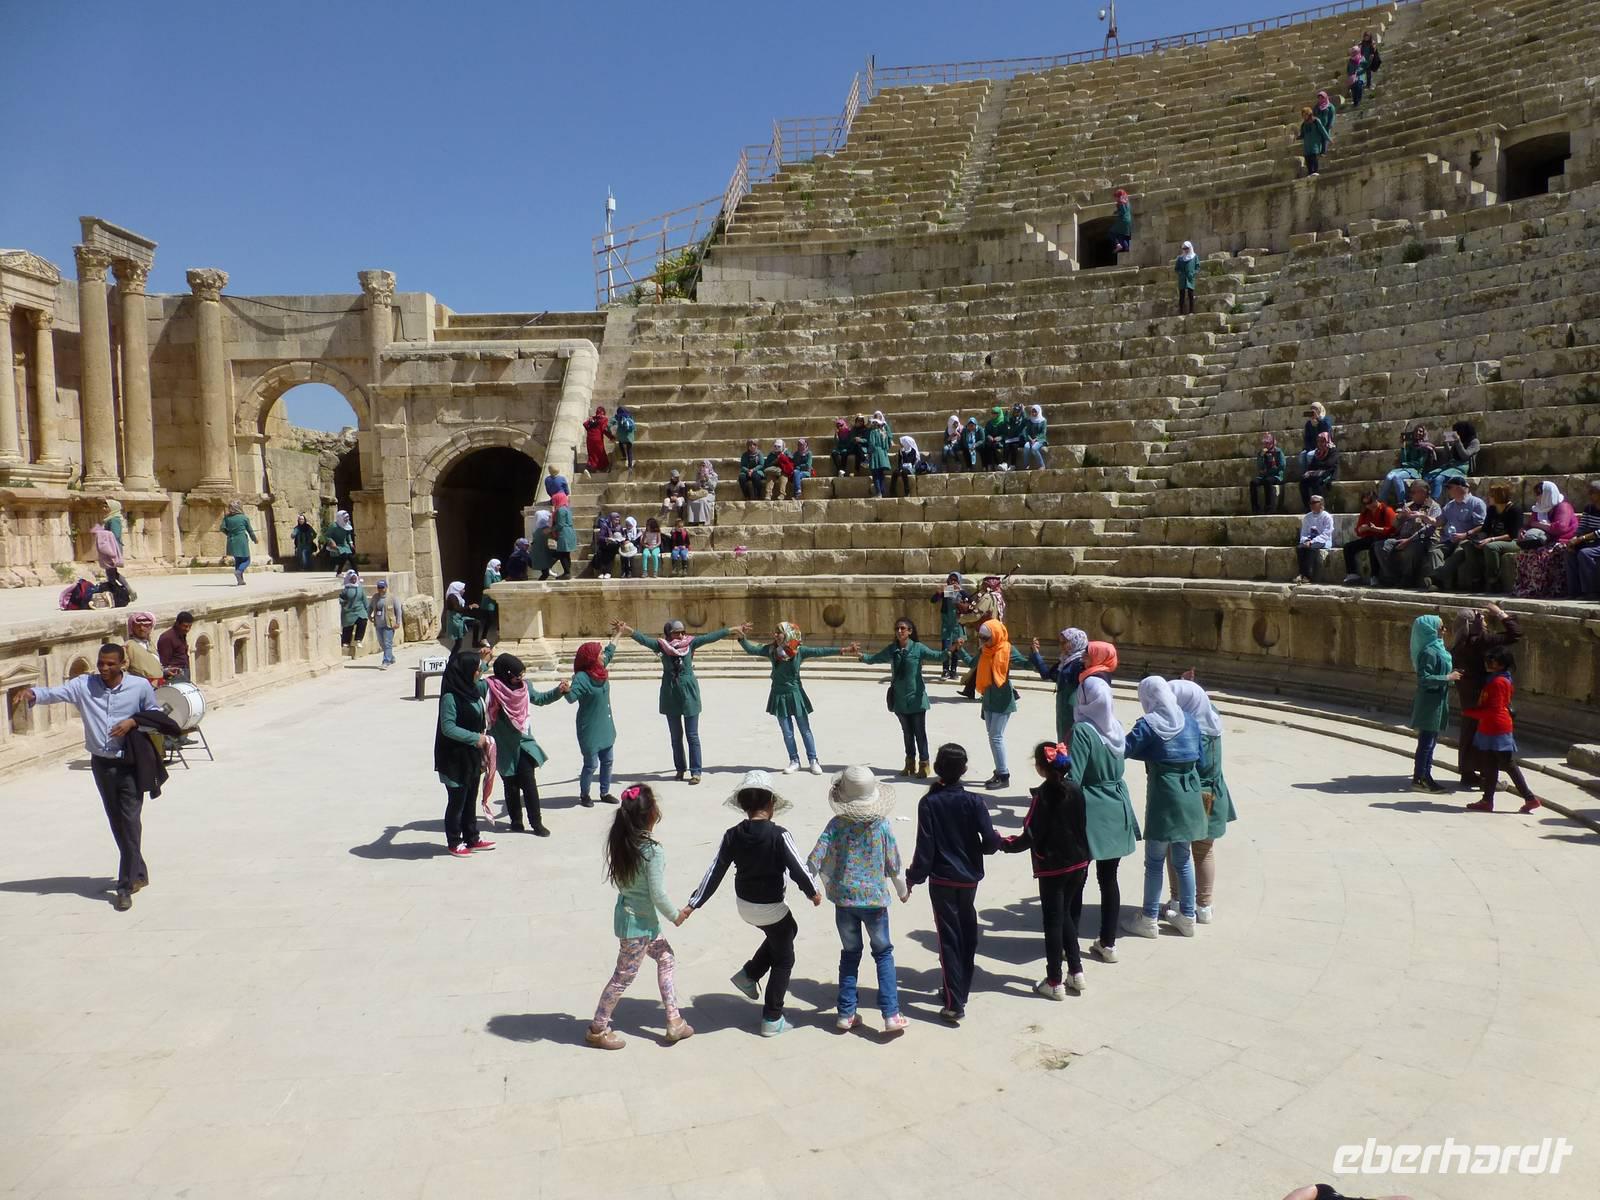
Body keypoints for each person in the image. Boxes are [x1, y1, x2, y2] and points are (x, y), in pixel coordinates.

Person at [23, 644, 167, 910]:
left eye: (110, 664)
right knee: (117, 822)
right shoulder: (84, 685)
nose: (104, 668)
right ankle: (138, 872)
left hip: (130, 764)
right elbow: (56, 693)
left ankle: (125, 886)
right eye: (101, 663)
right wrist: (33, 693)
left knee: (131, 821)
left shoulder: (139, 686)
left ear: (123, 664)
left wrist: (133, 722)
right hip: (102, 765)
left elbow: (155, 714)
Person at [681, 770, 821, 1037]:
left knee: (787, 930)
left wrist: (693, 904)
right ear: (771, 804)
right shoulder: (779, 834)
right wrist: (812, 892)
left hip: (744, 905)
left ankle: (750, 974)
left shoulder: (732, 834)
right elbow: (798, 868)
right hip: (770, 906)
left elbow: (715, 871)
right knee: (784, 958)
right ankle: (772, 1018)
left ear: (744, 806)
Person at [586, 784, 693, 1051]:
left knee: (666, 958)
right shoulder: (652, 851)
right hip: (639, 927)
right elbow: (657, 893)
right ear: (651, 814)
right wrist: (676, 915)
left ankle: (674, 1020)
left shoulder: (622, 841)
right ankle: (597, 1029)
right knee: (623, 976)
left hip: (634, 919)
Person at [806, 766, 910, 1035]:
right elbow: (894, 865)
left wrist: (812, 888)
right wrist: (902, 890)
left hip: (844, 901)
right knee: (883, 953)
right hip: (875, 902)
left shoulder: (836, 825)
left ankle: (846, 1012)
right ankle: (890, 1014)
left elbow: (814, 860)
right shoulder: (882, 825)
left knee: (850, 955)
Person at [906, 743, 1002, 1022]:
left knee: (949, 938)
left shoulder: (929, 802)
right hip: (969, 879)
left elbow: (925, 846)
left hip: (942, 879)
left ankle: (954, 1002)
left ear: (937, 768)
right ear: (964, 771)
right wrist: (985, 849)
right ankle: (960, 990)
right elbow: (991, 840)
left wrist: (913, 877)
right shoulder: (974, 801)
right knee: (967, 934)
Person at [1121, 677, 1207, 938]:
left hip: (1164, 795)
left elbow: (1125, 748)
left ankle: (1148, 918)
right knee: (1183, 858)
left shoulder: (1149, 724)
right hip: (1190, 791)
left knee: (1155, 860)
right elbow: (1200, 758)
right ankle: (1188, 916)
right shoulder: (1189, 719)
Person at [1004, 742, 1091, 998]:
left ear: (1041, 768)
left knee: (1053, 921)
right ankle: (1076, 971)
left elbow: (1030, 834)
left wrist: (1003, 843)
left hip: (1053, 867)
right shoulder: (1076, 789)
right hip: (1079, 862)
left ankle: (1054, 980)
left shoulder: (1042, 797)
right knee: (1065, 916)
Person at [619, 617, 751, 784]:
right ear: (668, 633)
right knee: (675, 737)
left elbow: (710, 637)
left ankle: (696, 772)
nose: (681, 635)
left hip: (689, 693)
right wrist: (627, 629)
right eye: (676, 633)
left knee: (692, 735)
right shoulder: (661, 646)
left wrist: (733, 629)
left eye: (682, 632)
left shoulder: (690, 644)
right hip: (670, 693)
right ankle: (680, 769)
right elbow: (643, 639)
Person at [1068, 674, 1138, 963]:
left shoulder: (1084, 731)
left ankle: (1068, 944)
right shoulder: (1116, 728)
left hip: (1091, 807)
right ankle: (1108, 943)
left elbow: (1075, 777)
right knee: (1109, 879)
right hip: (1117, 802)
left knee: (1077, 878)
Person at [739, 623, 857, 774]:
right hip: (778, 694)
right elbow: (751, 649)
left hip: (795, 693)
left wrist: (844, 650)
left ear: (788, 634)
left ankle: (813, 760)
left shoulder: (799, 651)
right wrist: (742, 637)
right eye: (775, 632)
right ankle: (794, 760)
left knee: (804, 729)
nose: (775, 635)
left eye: (779, 633)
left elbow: (820, 651)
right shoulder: (771, 650)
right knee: (787, 732)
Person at [1166, 679, 1236, 925]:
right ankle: (1204, 906)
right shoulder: (1212, 719)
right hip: (1214, 793)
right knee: (1204, 850)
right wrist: (1191, 685)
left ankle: (1177, 900)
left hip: (1193, 794)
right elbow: (1201, 700)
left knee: (1176, 848)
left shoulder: (1190, 729)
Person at [485, 652, 567, 836]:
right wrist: (483, 663)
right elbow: (471, 685)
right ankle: (516, 820)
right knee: (511, 785)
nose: (521, 678)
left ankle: (536, 823)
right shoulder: (491, 688)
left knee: (529, 784)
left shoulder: (525, 687)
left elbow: (540, 699)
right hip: (504, 746)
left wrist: (558, 691)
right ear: (506, 674)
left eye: (522, 674)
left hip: (524, 744)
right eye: (517, 674)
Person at [1462, 647, 1542, 814]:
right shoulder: (1499, 679)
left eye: (1492, 661)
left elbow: (1495, 709)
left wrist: (1470, 712)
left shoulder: (1498, 682)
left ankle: (1529, 797)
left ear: (1500, 664)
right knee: (1490, 765)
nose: (1488, 663)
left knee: (1508, 764)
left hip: (1496, 728)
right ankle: (1487, 800)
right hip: (1491, 727)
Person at [1450, 604, 1520, 790]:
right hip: (1484, 693)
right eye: (1481, 619)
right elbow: (1515, 634)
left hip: (1466, 692)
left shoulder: (1458, 644)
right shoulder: (1481, 640)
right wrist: (1500, 613)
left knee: (1468, 730)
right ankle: (1488, 779)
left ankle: (1467, 772)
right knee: (1486, 736)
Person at [862, 617, 942, 778]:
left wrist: (951, 650)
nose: (899, 631)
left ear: (910, 632)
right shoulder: (893, 649)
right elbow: (875, 658)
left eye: (903, 628)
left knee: (920, 733)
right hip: (899, 700)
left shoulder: (918, 648)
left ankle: (924, 765)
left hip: (916, 700)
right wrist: (860, 656)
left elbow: (937, 656)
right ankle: (909, 764)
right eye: (897, 628)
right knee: (907, 733)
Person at [955, 619, 1030, 790]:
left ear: (995, 635)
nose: (982, 641)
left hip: (1003, 700)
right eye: (981, 637)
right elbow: (971, 663)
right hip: (988, 698)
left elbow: (1025, 663)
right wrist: (960, 650)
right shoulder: (985, 650)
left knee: (996, 737)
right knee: (992, 736)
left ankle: (1003, 775)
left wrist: (1035, 656)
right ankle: (999, 771)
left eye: (985, 637)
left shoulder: (1007, 649)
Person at [435, 648, 495, 857]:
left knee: (470, 798)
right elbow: (448, 728)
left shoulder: (471, 688)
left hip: (472, 756)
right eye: (477, 669)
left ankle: (472, 837)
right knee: (457, 801)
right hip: (454, 758)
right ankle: (454, 841)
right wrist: (476, 738)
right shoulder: (451, 697)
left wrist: (485, 660)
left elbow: (480, 675)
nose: (480, 672)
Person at [1407, 615, 1460, 794]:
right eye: (1441, 627)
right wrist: (1447, 677)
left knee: (1430, 741)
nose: (1444, 631)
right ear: (1431, 630)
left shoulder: (1437, 649)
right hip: (1430, 702)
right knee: (1426, 742)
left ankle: (1425, 776)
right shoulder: (1429, 652)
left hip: (1437, 701)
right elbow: (1424, 678)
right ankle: (1420, 778)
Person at [565, 636, 620, 807]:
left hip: (605, 724)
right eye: (600, 653)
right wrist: (566, 691)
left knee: (608, 760)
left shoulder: (601, 668)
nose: (603, 655)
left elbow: (610, 651)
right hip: (589, 727)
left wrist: (618, 633)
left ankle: (604, 792)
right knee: (591, 764)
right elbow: (572, 697)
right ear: (591, 657)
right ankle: (585, 795)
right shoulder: (581, 678)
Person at [1514, 480, 1578, 598]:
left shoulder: (1563, 506)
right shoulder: (1539, 508)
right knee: (1524, 554)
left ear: (1548, 494)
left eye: (1539, 494)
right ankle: (1527, 587)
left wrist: (1538, 525)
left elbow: (1560, 528)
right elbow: (1529, 524)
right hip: (1547, 541)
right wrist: (1522, 530)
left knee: (1540, 554)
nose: (1537, 497)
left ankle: (1543, 589)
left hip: (1562, 541)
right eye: (1537, 494)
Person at [1424, 478, 1487, 591]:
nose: (1448, 490)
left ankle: (1436, 580)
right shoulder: (1449, 506)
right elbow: (1439, 522)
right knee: (1435, 551)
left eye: (1449, 487)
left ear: (1459, 487)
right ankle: (1441, 583)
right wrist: (1423, 517)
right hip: (1449, 540)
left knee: (1458, 553)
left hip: (1467, 539)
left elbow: (1482, 526)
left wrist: (1465, 534)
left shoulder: (1476, 503)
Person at [1459, 483, 1523, 593]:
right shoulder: (1492, 509)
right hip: (1492, 539)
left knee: (1491, 547)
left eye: (1491, 495)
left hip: (1512, 541)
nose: (1488, 498)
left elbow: (1512, 535)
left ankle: (1494, 581)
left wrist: (1490, 539)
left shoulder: (1515, 510)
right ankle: (1477, 579)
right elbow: (1486, 529)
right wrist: (1479, 539)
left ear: (1499, 496)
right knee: (1469, 545)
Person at [1375, 480, 1439, 588]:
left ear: (1423, 492)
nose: (1411, 495)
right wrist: (1401, 516)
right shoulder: (1409, 505)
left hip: (1421, 539)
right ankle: (1392, 577)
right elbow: (1394, 524)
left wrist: (1409, 540)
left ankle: (1407, 578)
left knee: (1413, 548)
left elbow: (1428, 529)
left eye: (1414, 492)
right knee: (1380, 546)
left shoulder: (1434, 507)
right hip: (1402, 537)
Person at [1029, 626, 1089, 743]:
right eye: (1060, 643)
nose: (1061, 646)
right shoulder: (1065, 661)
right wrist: (1036, 654)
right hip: (1063, 711)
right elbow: (1048, 674)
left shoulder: (1081, 663)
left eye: (1064, 642)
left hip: (1074, 711)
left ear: (1075, 642)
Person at [1341, 490, 1395, 585]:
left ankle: (1375, 576)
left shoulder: (1387, 510)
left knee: (1373, 547)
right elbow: (1358, 530)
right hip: (1370, 537)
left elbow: (1391, 530)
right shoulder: (1365, 512)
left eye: (1369, 502)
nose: (1368, 505)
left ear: (1375, 499)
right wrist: (1361, 530)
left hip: (1383, 538)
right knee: (1348, 547)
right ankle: (1352, 574)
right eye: (1365, 503)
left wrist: (1374, 529)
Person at [1379, 425, 1435, 506]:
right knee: (1389, 476)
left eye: (1420, 431)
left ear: (1424, 434)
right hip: (1405, 469)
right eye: (1416, 431)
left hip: (1415, 471)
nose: (1418, 433)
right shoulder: (1410, 445)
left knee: (1397, 477)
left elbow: (1419, 464)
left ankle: (1402, 503)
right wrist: (1403, 446)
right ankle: (1381, 502)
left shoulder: (1426, 447)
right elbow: (1403, 460)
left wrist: (1405, 464)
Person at [930, 572, 971, 681]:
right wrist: (940, 592)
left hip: (957, 625)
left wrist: (960, 590)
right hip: (947, 624)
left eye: (955, 580)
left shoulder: (961, 593)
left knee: (956, 648)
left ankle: (953, 670)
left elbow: (970, 601)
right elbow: (933, 600)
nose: (952, 582)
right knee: (946, 647)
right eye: (950, 580)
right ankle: (945, 670)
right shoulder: (948, 591)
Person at [1562, 480, 1600, 599]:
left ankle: (1591, 591)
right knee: (1569, 552)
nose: (1589, 494)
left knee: (1585, 553)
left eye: (1592, 492)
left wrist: (1581, 539)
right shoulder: (1589, 508)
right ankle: (1574, 591)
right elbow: (1582, 527)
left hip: (1596, 541)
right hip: (1591, 541)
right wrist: (1574, 539)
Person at [1425, 421, 1481, 498]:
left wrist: (1458, 441)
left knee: (1438, 479)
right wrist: (1446, 444)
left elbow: (1465, 456)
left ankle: (1432, 503)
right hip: (1451, 466)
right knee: (1427, 477)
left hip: (1462, 467)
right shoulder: (1458, 441)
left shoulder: (1474, 442)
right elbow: (1449, 457)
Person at [1295, 494, 1334, 583]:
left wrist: (1312, 541)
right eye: (1310, 503)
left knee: (1311, 548)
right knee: (1300, 548)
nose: (1311, 505)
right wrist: (1306, 540)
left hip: (1323, 540)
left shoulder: (1327, 516)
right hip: (1309, 540)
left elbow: (1326, 533)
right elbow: (1304, 532)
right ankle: (1301, 573)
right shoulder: (1307, 517)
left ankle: (1308, 576)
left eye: (1314, 502)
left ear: (1321, 504)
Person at [220, 500, 257, 586]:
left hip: (231, 540)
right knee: (247, 560)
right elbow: (250, 531)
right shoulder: (244, 518)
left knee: (238, 560)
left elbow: (222, 528)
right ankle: (239, 571)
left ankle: (240, 580)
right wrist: (254, 539)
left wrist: (228, 533)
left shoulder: (227, 518)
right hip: (241, 540)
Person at [1299, 432, 1338, 510]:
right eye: (1318, 441)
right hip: (1317, 473)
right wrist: (1309, 472)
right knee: (1303, 483)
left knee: (1317, 483)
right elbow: (1312, 465)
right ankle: (1308, 507)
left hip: (1329, 473)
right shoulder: (1318, 452)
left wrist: (1317, 469)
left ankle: (1319, 507)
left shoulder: (1332, 450)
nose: (1320, 443)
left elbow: (1329, 464)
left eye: (1322, 441)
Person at [124, 611, 166, 685]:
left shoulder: (150, 644)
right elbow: (123, 671)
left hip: (159, 686)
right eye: (138, 626)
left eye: (146, 625)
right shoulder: (128, 646)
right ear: (133, 627)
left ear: (151, 627)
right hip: (141, 687)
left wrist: (165, 671)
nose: (142, 628)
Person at [1250, 433, 1287, 513]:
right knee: (1253, 483)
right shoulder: (1262, 453)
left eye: (1268, 443)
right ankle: (1255, 507)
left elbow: (1282, 466)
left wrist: (1271, 470)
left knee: (1268, 481)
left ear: (1272, 443)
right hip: (1264, 475)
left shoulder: (1278, 452)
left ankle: (1268, 507)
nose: (1266, 445)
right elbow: (1260, 466)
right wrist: (1261, 456)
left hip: (1276, 476)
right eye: (1265, 443)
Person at [370, 578, 401, 669]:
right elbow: (370, 607)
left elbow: (398, 610)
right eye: (379, 587)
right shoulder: (375, 597)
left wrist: (398, 622)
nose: (380, 589)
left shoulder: (392, 598)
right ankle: (391, 657)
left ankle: (386, 661)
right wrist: (369, 616)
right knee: (382, 643)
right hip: (378, 624)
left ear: (386, 587)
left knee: (387, 643)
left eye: (382, 587)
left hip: (389, 624)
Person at [338, 569, 370, 656]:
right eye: (352, 578)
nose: (354, 580)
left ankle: (358, 639)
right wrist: (343, 602)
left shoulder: (360, 588)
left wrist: (368, 610)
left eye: (355, 578)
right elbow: (339, 598)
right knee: (348, 627)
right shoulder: (344, 589)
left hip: (359, 610)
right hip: (348, 611)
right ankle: (345, 642)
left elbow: (364, 599)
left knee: (363, 620)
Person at [438, 581, 477, 652]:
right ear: (457, 589)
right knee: (458, 644)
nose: (464, 591)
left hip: (459, 618)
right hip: (455, 621)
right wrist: (470, 607)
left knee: (476, 623)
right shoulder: (451, 597)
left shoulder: (457, 596)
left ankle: (475, 643)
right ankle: (451, 660)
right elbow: (457, 608)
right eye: (462, 589)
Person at [546, 491, 576, 580]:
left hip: (564, 533)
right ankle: (567, 572)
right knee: (566, 554)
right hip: (569, 532)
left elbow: (560, 524)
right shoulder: (567, 509)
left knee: (562, 554)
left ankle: (567, 573)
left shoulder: (560, 510)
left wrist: (550, 530)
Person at [157, 611, 194, 682]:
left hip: (184, 672)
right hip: (174, 675)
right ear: (177, 623)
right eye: (185, 626)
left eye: (190, 626)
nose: (188, 629)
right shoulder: (167, 638)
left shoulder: (182, 634)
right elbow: (164, 662)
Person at [1299, 403, 1332, 472]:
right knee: (1302, 456)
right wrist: (1308, 448)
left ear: (1320, 409)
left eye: (1315, 408)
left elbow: (1326, 432)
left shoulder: (1326, 420)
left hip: (1323, 446)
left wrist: (1319, 420)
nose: (1313, 410)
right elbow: (1307, 438)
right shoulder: (1309, 423)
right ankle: (1305, 475)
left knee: (1310, 455)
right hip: (1312, 447)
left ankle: (1313, 474)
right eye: (1311, 408)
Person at [1299, 105, 1330, 177]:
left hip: (1314, 144)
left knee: (1314, 158)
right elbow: (1302, 134)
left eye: (1305, 115)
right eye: (1303, 115)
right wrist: (1297, 136)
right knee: (1308, 159)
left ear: (1309, 114)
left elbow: (1322, 130)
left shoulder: (1316, 121)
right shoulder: (1303, 124)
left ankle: (1315, 172)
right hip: (1307, 146)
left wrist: (1328, 139)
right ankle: (1310, 173)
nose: (1304, 117)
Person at [322, 509, 356, 576]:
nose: (347, 519)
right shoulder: (334, 526)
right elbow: (327, 536)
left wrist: (351, 543)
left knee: (351, 558)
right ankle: (339, 572)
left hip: (344, 544)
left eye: (347, 517)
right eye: (345, 517)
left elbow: (348, 533)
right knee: (344, 556)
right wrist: (332, 542)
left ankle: (356, 574)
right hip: (337, 545)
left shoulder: (348, 523)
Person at [685, 459, 717, 526]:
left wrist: (707, 478)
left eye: (704, 465)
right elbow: (696, 487)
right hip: (700, 492)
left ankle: (703, 520)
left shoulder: (714, 475)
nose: (702, 467)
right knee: (691, 501)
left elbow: (713, 487)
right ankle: (693, 521)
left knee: (703, 501)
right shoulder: (699, 474)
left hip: (709, 493)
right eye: (701, 466)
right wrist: (700, 480)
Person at [867, 414, 892, 497]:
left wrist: (869, 453)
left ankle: (878, 492)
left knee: (875, 474)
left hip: (875, 454)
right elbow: (887, 446)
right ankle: (882, 491)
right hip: (883, 454)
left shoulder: (873, 432)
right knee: (881, 474)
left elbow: (872, 444)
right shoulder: (884, 433)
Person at [583, 406, 614, 472]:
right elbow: (604, 429)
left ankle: (590, 468)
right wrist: (611, 437)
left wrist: (590, 428)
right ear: (603, 412)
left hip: (589, 439)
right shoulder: (603, 419)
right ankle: (603, 468)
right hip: (598, 439)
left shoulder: (592, 418)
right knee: (601, 453)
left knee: (592, 454)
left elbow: (585, 424)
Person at [479, 558, 502, 644]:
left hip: (497, 598)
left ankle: (499, 633)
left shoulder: (497, 573)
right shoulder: (488, 573)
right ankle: (483, 638)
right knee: (490, 619)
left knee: (500, 615)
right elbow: (487, 585)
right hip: (489, 599)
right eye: (498, 565)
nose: (499, 567)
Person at [1020, 405, 1048, 470]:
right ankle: (1026, 465)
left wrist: (1035, 439)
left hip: (1040, 439)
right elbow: (1027, 432)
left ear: (1038, 412)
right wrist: (1030, 439)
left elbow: (1043, 433)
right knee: (1026, 447)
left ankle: (1042, 465)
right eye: (1032, 412)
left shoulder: (1043, 421)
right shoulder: (1030, 420)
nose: (1034, 413)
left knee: (1034, 448)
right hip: (1031, 440)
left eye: (1035, 412)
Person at [1174, 240, 1198, 315]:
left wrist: (1193, 273)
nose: (1185, 250)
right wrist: (1180, 273)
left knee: (1191, 295)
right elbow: (1176, 268)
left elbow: (1197, 266)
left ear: (1190, 248)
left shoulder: (1194, 257)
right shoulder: (1180, 258)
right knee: (1182, 295)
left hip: (1190, 278)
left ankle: (1191, 311)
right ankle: (1181, 312)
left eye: (1187, 248)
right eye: (1184, 248)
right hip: (1182, 278)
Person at [981, 405, 1009, 470]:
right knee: (986, 446)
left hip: (1000, 441)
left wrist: (1000, 437)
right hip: (991, 440)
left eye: (995, 413)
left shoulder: (1003, 423)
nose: (993, 415)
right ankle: (988, 465)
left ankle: (997, 464)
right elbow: (986, 432)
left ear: (999, 414)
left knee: (993, 446)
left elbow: (1006, 433)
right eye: (992, 413)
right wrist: (988, 436)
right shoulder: (990, 423)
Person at [609, 405, 637, 469]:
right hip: (629, 437)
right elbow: (633, 425)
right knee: (629, 450)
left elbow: (609, 424)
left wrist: (611, 432)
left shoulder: (617, 417)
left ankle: (624, 456)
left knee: (620, 444)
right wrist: (634, 430)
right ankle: (630, 466)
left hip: (621, 437)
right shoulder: (629, 416)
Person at [1109, 188, 1133, 255]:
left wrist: (1117, 213)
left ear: (1119, 196)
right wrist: (1117, 211)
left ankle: (1118, 245)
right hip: (1128, 221)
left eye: (1116, 196)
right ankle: (1127, 249)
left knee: (1111, 233)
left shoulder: (1121, 201)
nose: (1115, 198)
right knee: (1122, 237)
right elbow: (1126, 211)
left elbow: (1123, 211)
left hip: (1123, 220)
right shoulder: (1127, 202)